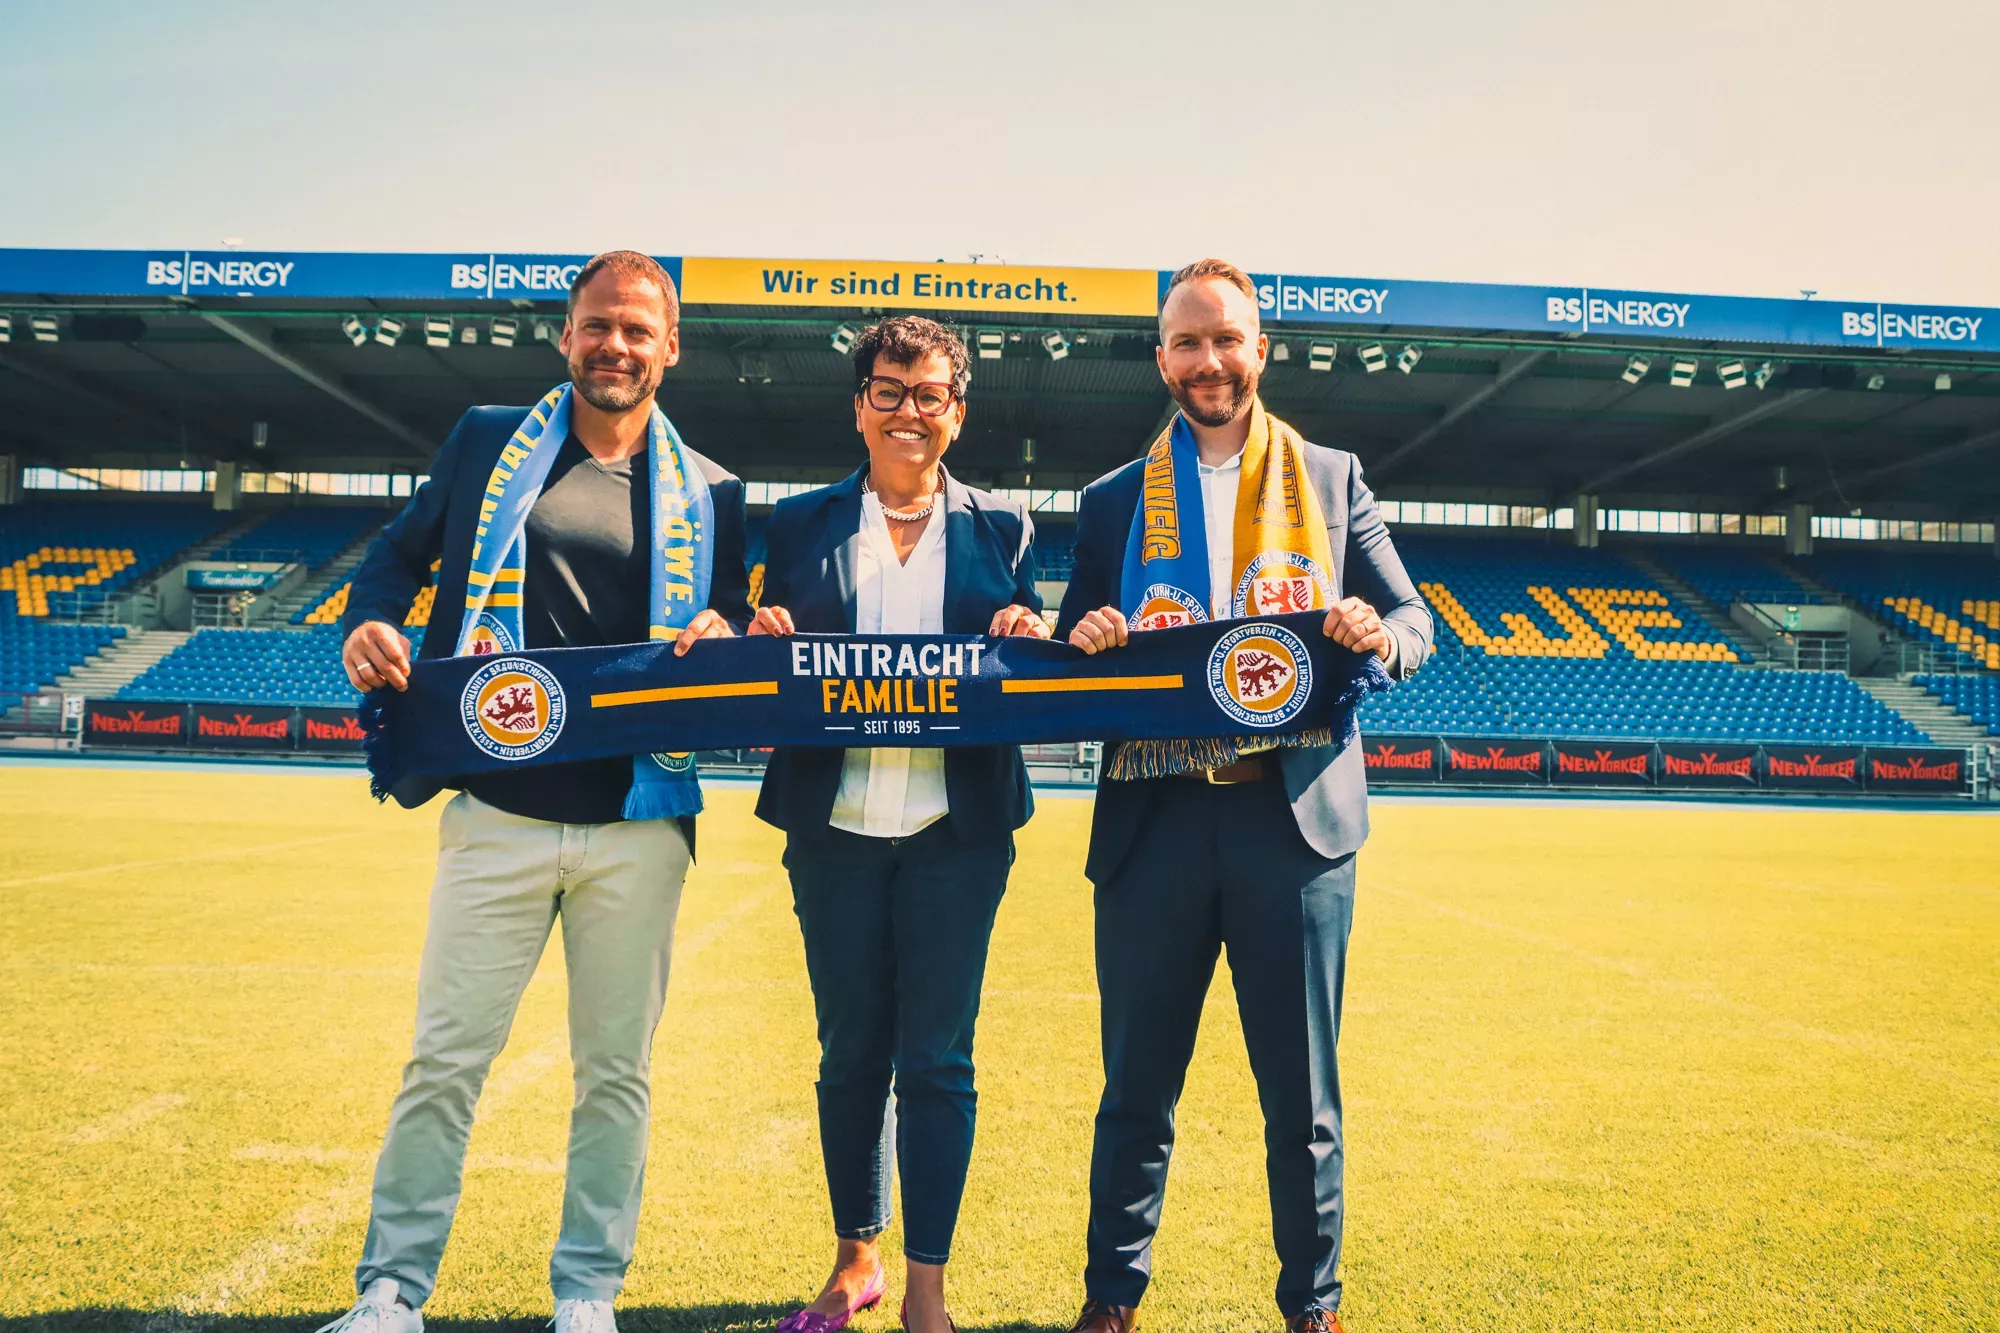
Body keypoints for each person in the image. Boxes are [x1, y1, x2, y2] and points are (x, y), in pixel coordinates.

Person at [323, 251, 752, 1333]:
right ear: (566, 337)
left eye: (637, 330)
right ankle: (390, 1292)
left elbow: (736, 632)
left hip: (638, 826)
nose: (615, 346)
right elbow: (394, 553)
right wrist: (364, 619)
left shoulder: (712, 489)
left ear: (669, 348)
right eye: (596, 325)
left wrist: (726, 632)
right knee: (444, 1059)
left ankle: (587, 1295)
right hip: (497, 814)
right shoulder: (485, 443)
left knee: (616, 1075)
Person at [1054, 259, 1433, 1333]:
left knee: (1300, 1101)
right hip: (1153, 821)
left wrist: (1377, 635)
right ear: (1161, 357)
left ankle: (1311, 1307)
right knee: (1135, 1091)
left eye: (1226, 339)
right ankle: (1110, 1301)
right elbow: (1072, 654)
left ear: (1259, 350)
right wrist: (1084, 641)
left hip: (1292, 824)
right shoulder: (1111, 501)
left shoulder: (1329, 476)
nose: (1207, 360)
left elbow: (1414, 620)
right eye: (1186, 341)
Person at [747, 316, 1048, 1333]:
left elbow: (1036, 649)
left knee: (936, 1061)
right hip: (830, 826)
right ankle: (853, 1261)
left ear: (955, 415)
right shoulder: (795, 525)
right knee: (848, 1054)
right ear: (858, 404)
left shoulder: (1002, 530)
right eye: (888, 390)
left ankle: (926, 1285)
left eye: (928, 395)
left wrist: (1025, 626)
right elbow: (758, 669)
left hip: (953, 832)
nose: (907, 411)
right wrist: (763, 637)